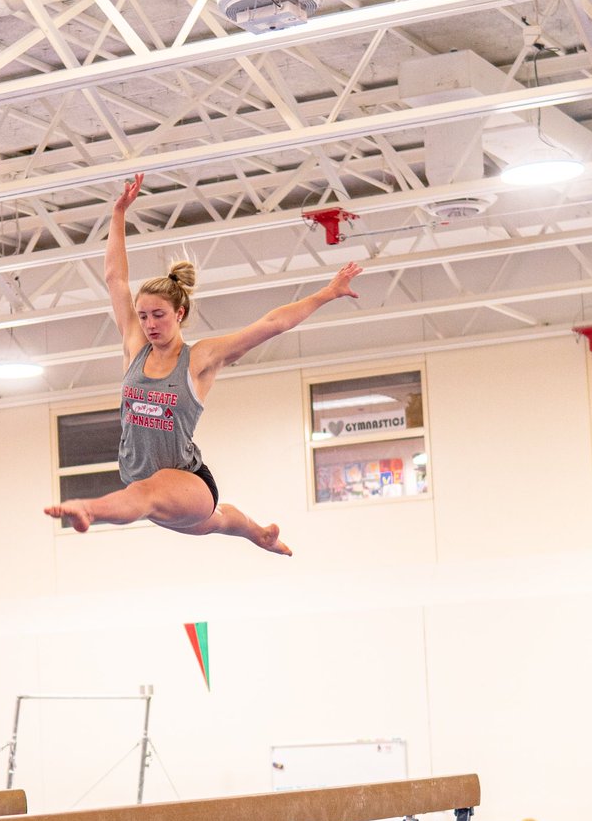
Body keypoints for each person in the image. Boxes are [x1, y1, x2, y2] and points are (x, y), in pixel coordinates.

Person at [44, 172, 363, 554]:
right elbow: (115, 278)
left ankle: (87, 509)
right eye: (143, 316)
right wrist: (118, 212)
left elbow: (272, 324)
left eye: (158, 315)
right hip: (146, 486)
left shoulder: (199, 359)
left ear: (180, 313)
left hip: (185, 482)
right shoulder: (134, 346)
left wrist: (327, 293)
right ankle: (260, 534)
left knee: (153, 494)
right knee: (218, 522)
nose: (148, 324)